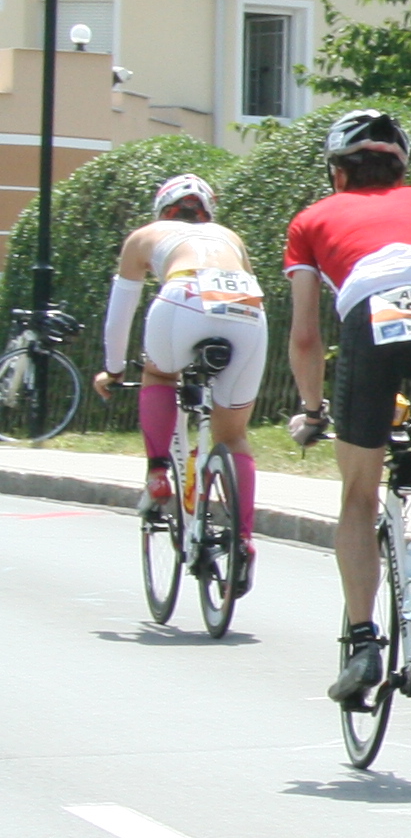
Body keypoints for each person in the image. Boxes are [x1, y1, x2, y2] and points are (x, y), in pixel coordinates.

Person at [285, 109, 411, 708]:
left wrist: (313, 410)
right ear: (400, 170)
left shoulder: (312, 218)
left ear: (338, 173)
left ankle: (363, 641)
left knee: (359, 494)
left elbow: (305, 337)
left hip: (371, 321)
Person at [91, 172, 265, 564]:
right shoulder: (230, 237)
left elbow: (119, 317)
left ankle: (157, 472)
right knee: (233, 435)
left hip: (183, 295)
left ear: (162, 211)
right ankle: (242, 540)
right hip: (246, 307)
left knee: (159, 374)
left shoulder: (145, 236)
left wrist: (114, 370)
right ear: (208, 213)